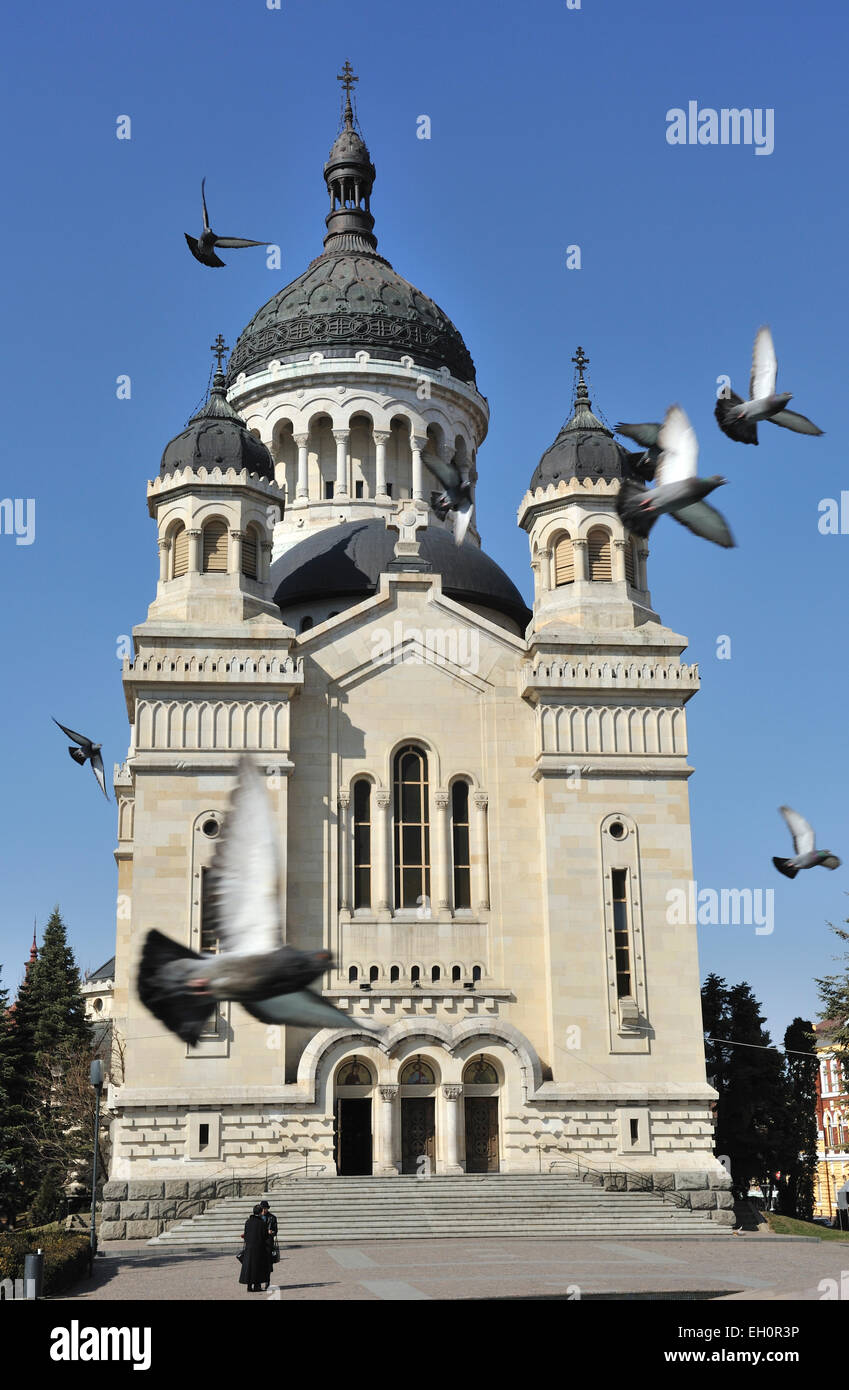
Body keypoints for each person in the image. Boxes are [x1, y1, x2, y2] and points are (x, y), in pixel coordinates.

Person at [239, 1203, 272, 1292]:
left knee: (250, 1267)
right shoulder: (261, 1223)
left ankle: (249, 1286)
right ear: (261, 1212)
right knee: (258, 1268)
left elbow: (246, 1235)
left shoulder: (248, 1221)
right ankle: (257, 1286)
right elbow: (265, 1236)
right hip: (259, 1248)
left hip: (249, 1248)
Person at [260, 1200, 279, 1266]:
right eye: (262, 1208)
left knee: (268, 1262)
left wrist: (271, 1232)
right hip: (259, 1242)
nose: (264, 1210)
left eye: (265, 1209)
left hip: (268, 1242)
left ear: (267, 1209)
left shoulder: (272, 1218)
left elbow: (275, 1231)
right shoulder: (257, 1218)